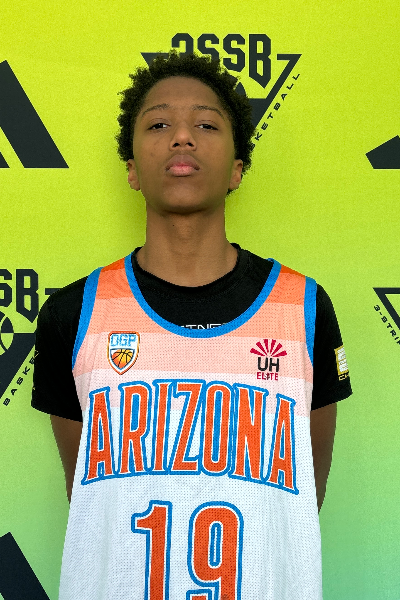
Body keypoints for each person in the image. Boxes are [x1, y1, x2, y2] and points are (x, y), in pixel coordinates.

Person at [32, 51, 352, 600]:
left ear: (237, 168)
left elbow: (302, 496)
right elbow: (92, 502)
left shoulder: (303, 309)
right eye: (159, 125)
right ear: (132, 170)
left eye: (206, 125)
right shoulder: (73, 314)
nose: (182, 137)